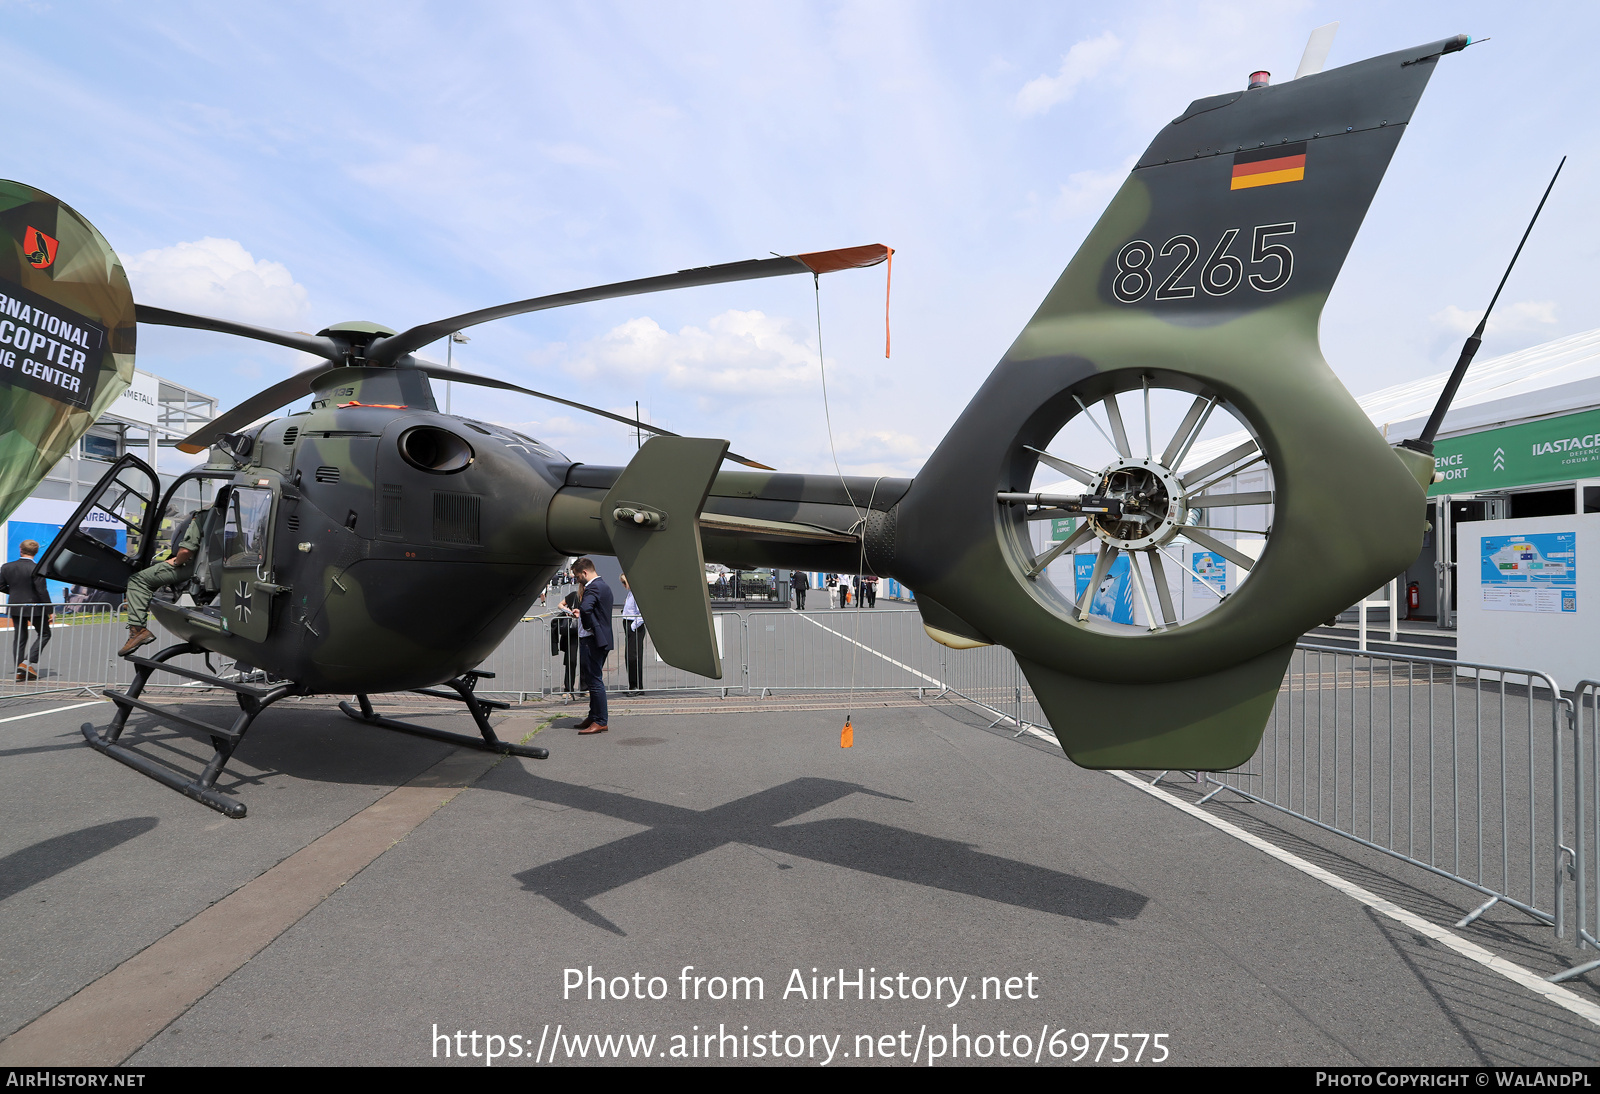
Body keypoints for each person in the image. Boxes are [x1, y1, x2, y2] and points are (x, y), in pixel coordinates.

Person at [119, 508, 204, 657]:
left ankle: (138, 631)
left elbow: (186, 551)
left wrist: (177, 561)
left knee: (138, 580)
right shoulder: (234, 518)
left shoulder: (204, 516)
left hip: (197, 566)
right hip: (217, 568)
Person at [566, 557, 613, 734]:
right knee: (594, 679)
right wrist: (587, 616)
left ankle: (600, 720)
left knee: (594, 681)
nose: (577, 580)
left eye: (577, 576)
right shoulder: (604, 586)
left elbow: (586, 608)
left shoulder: (592, 587)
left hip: (593, 640)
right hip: (602, 639)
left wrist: (587, 624)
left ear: (584, 573)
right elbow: (593, 610)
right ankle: (594, 716)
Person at [0, 540, 53, 682]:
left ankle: (20, 670)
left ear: (20, 549)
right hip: (34, 607)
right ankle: (27, 663)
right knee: (45, 633)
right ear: (36, 552)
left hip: (16, 605)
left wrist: (16, 593)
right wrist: (50, 610)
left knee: (20, 637)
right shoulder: (38, 569)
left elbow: (1, 586)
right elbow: (42, 591)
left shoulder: (6, 567)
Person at [620, 573, 646, 691]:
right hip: (630, 625)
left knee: (633, 657)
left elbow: (642, 613)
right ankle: (634, 685)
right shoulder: (631, 594)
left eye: (624, 582)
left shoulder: (636, 594)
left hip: (634, 627)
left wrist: (633, 626)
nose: (623, 585)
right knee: (630, 656)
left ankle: (635, 686)